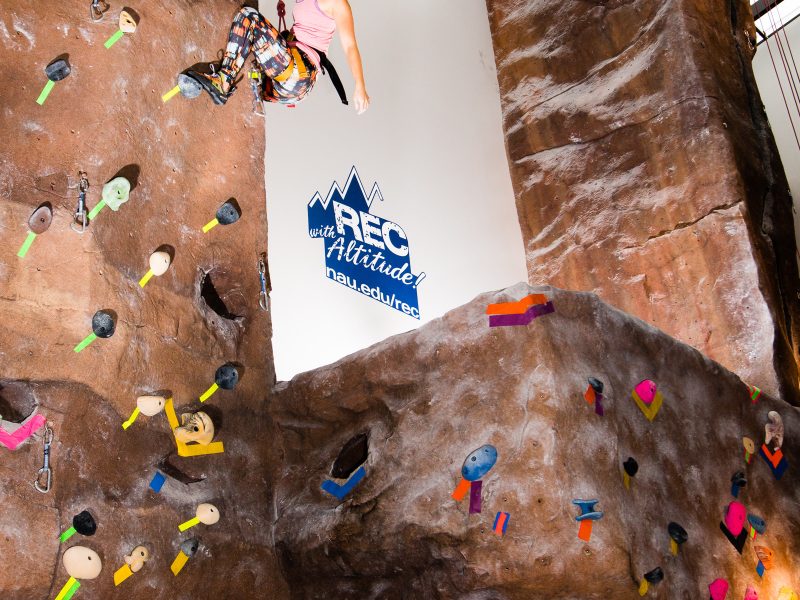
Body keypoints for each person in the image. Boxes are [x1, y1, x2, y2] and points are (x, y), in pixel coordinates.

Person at [186, 0, 369, 113]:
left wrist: (359, 86)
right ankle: (224, 85)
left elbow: (350, 46)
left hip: (300, 73)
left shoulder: (337, 3)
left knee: (248, 17)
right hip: (290, 80)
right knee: (249, 54)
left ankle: (223, 82)